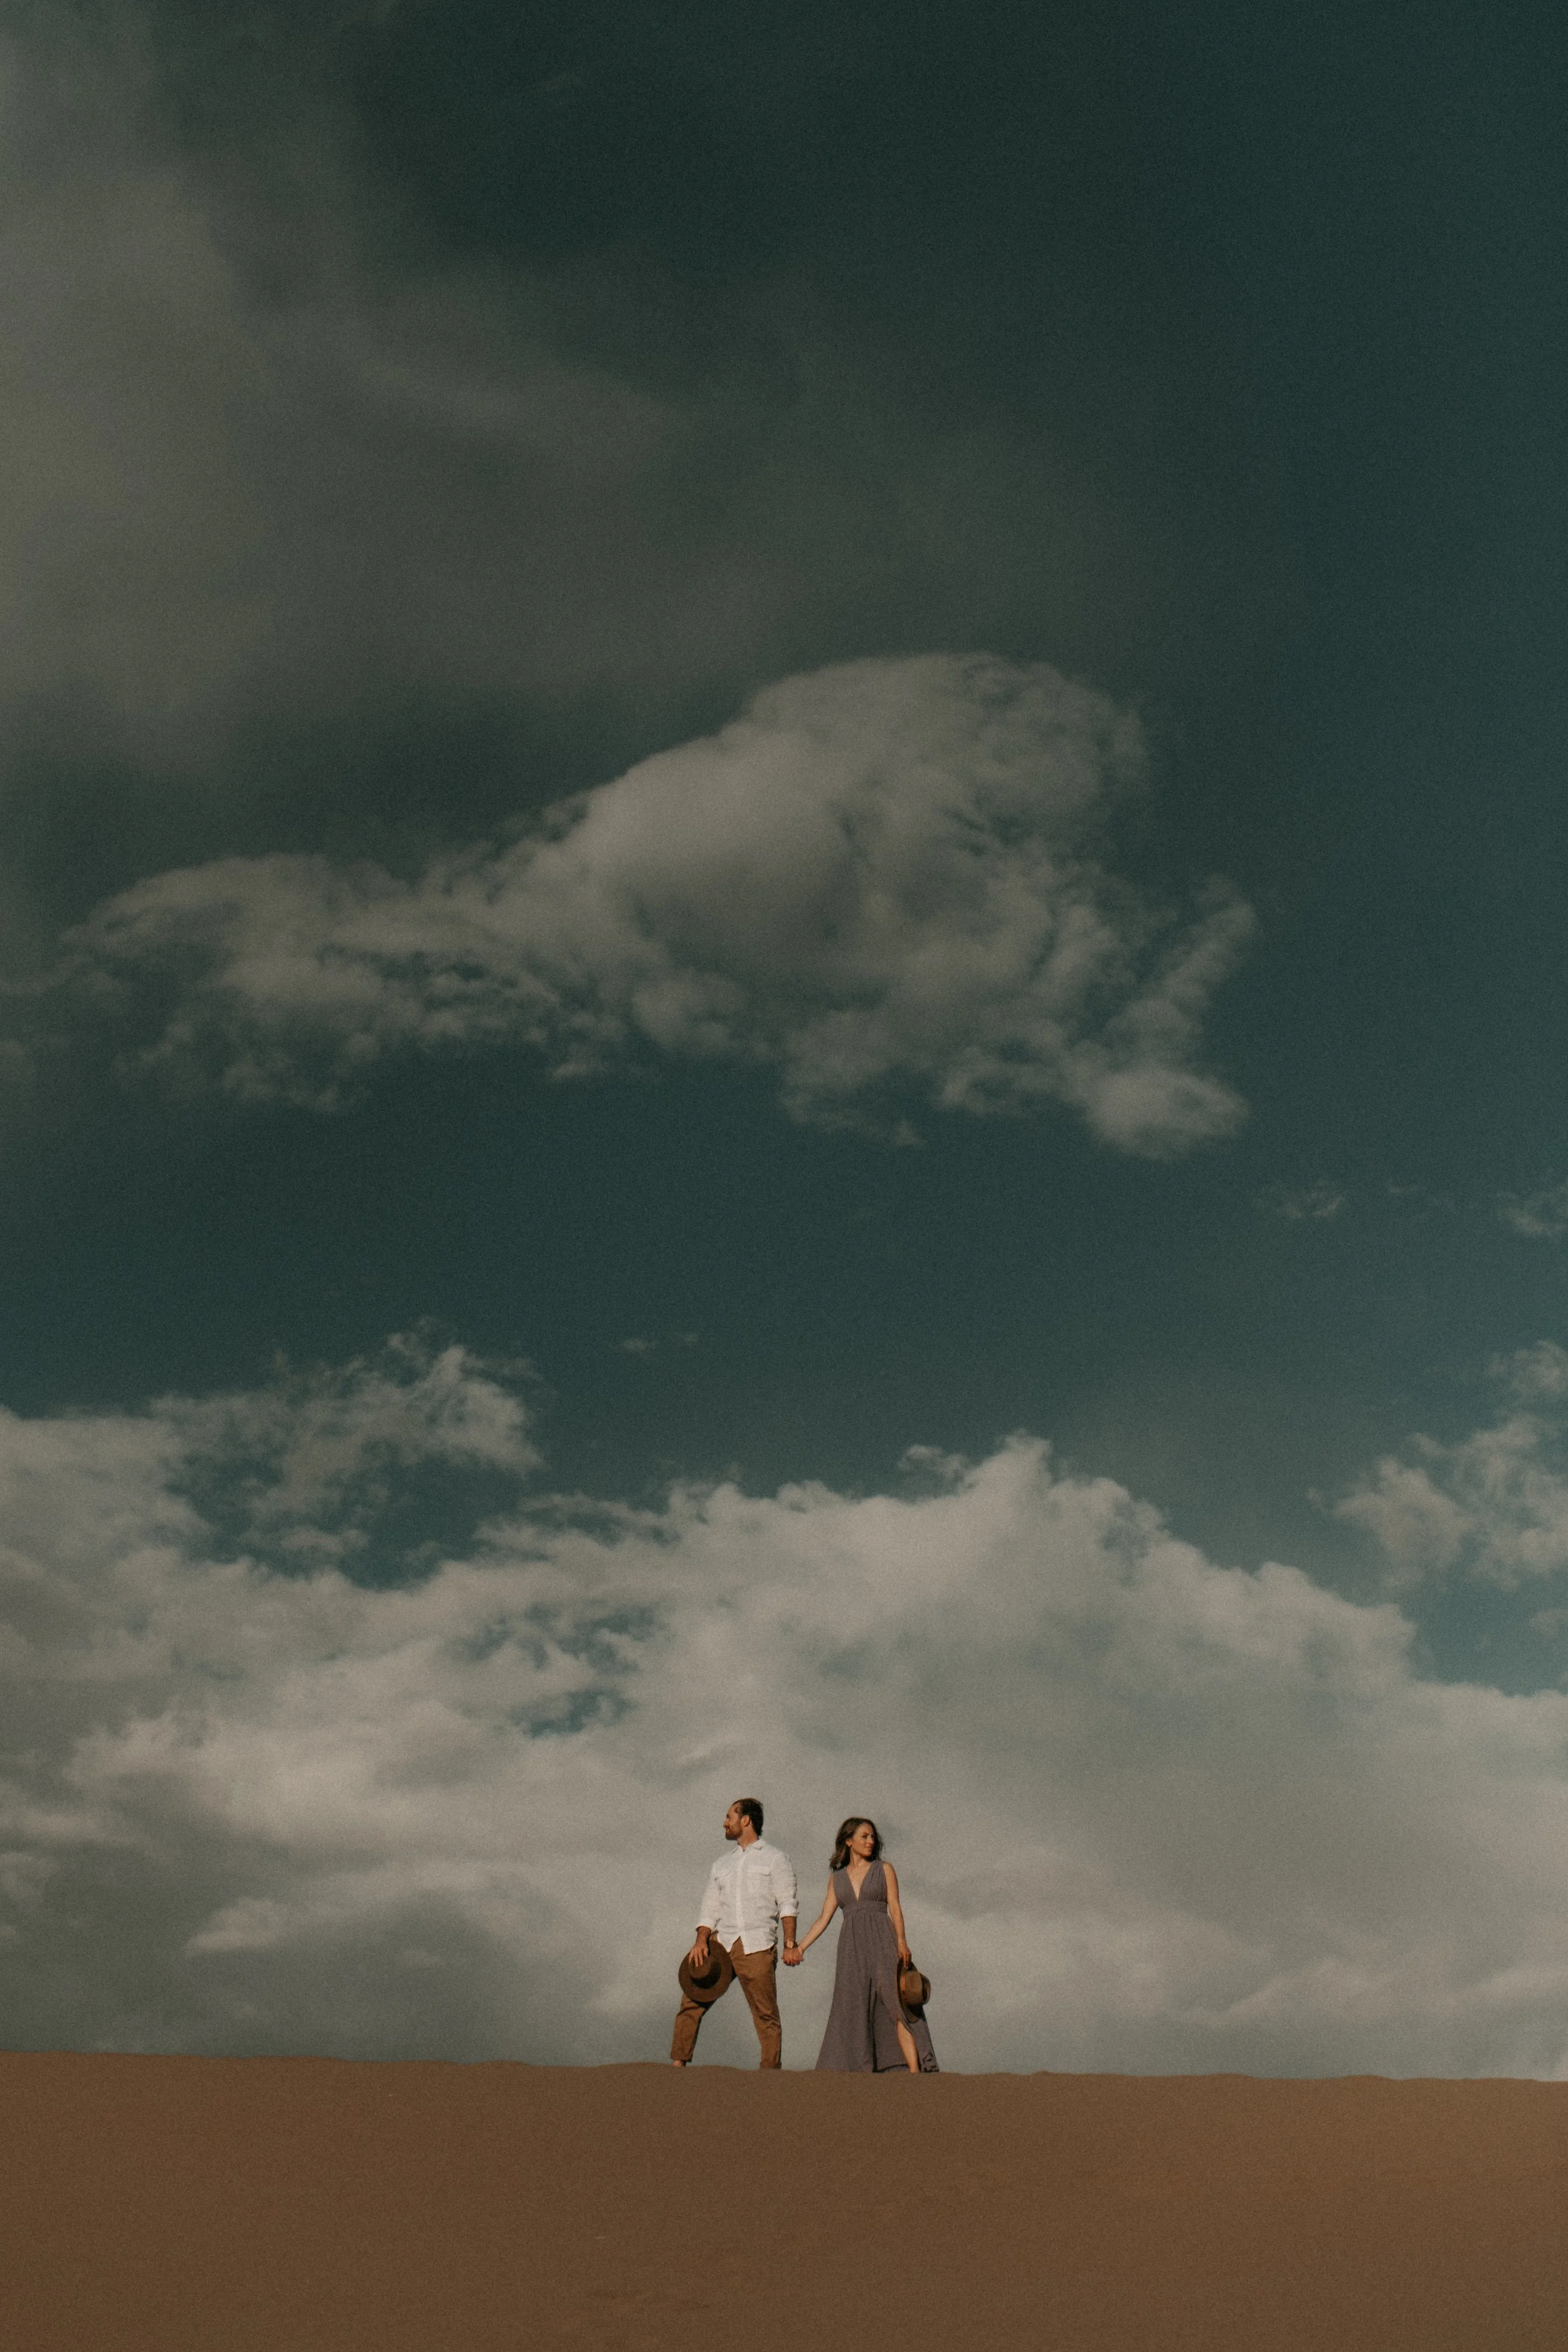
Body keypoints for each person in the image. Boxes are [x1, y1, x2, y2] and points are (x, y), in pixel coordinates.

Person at [790, 1816, 938, 2073]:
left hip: (884, 1940)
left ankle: (915, 2072)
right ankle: (859, 2070)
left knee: (899, 2004)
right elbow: (824, 1917)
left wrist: (902, 1942)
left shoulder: (884, 1869)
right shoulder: (837, 1879)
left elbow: (895, 1907)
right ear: (849, 1841)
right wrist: (801, 1947)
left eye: (872, 1837)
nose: (871, 1841)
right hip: (852, 1948)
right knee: (854, 2005)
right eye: (864, 1837)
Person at [670, 1798, 798, 2069]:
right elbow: (710, 1905)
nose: (724, 1823)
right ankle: (677, 2067)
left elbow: (787, 1902)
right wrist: (700, 1940)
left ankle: (769, 2077)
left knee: (766, 2015)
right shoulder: (721, 1865)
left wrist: (789, 1943)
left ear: (746, 1820)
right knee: (691, 2001)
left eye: (729, 1817)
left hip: (757, 1945)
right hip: (721, 1943)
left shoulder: (775, 1858)